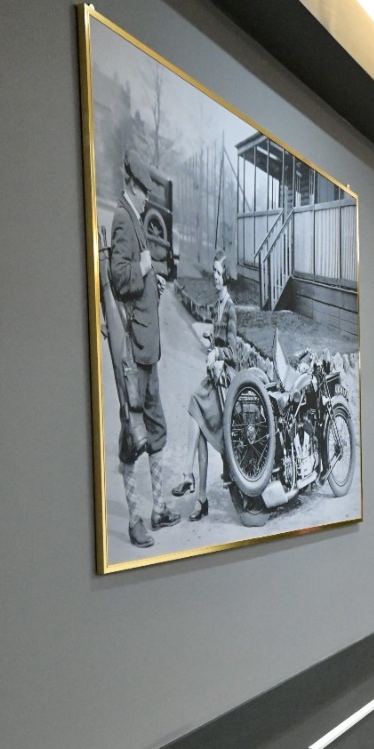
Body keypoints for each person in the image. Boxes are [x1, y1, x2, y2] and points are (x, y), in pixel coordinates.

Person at [109, 148, 180, 547]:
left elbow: (138, 281)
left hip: (146, 350)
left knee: (156, 427)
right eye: (144, 192)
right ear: (132, 185)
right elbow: (120, 277)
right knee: (132, 435)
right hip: (134, 354)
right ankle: (135, 518)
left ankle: (158, 509)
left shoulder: (133, 217)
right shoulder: (123, 218)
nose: (147, 199)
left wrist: (155, 285)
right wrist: (143, 269)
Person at [172, 252, 238, 520]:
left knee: (194, 404)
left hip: (227, 380)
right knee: (198, 427)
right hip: (214, 377)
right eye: (214, 272)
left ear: (226, 276)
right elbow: (215, 343)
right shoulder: (216, 306)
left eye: (219, 273)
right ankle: (200, 497)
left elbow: (233, 352)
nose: (215, 277)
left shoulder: (230, 308)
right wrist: (211, 349)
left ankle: (189, 476)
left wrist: (218, 354)